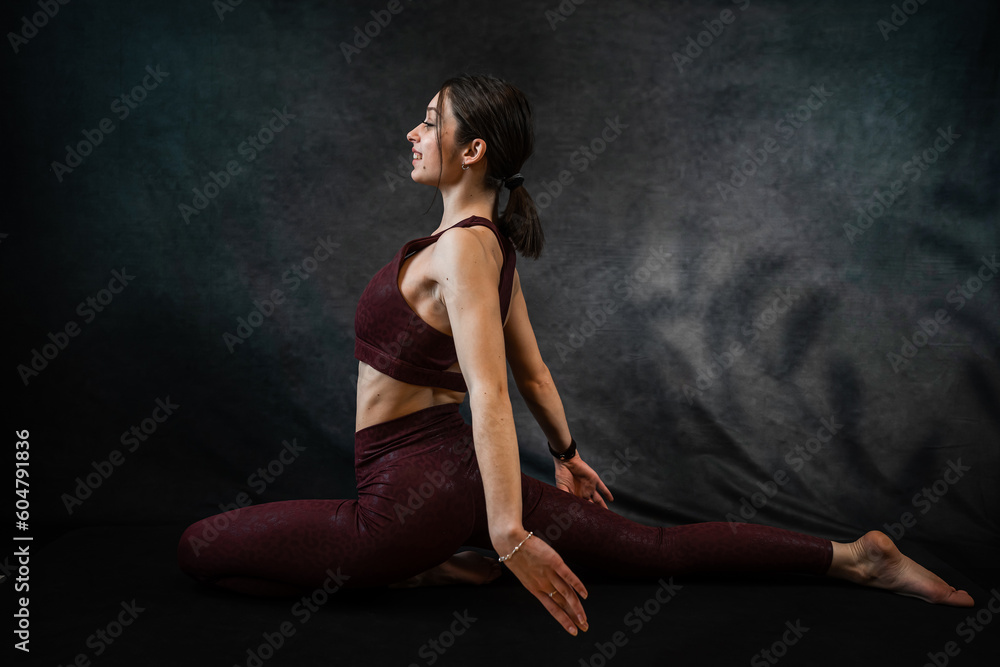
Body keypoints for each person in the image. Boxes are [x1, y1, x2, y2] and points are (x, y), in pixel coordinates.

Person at [177, 74, 974, 636]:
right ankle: (855, 556)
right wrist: (566, 452)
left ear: (473, 149)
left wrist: (508, 532)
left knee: (201, 548)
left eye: (430, 120)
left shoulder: (462, 253)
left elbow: (492, 391)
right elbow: (534, 373)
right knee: (653, 548)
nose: (413, 132)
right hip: (449, 482)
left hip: (411, 499)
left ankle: (416, 562)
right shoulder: (483, 247)